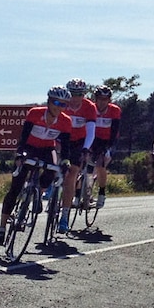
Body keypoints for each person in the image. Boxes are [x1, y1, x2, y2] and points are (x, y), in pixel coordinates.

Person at [0, 86, 73, 245]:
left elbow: (65, 147)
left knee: (53, 169)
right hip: (29, 148)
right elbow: (23, 137)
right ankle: (2, 228)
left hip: (47, 149)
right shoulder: (35, 113)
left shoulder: (65, 121)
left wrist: (65, 161)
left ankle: (39, 193)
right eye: (56, 102)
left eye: (63, 104)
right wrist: (20, 154)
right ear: (49, 101)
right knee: (15, 189)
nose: (59, 107)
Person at [58, 78, 98, 233]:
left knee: (71, 176)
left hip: (78, 142)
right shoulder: (62, 103)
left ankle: (64, 217)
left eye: (79, 94)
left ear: (84, 94)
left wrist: (86, 149)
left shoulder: (89, 107)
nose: (75, 98)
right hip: (60, 138)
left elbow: (91, 132)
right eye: (73, 94)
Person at [91, 85, 122, 209]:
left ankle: (102, 192)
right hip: (93, 139)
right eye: (100, 99)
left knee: (100, 164)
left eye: (105, 99)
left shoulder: (114, 110)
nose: (102, 102)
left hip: (108, 140)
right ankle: (79, 193)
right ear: (96, 99)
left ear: (109, 100)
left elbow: (115, 130)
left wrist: (108, 147)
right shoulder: (91, 109)